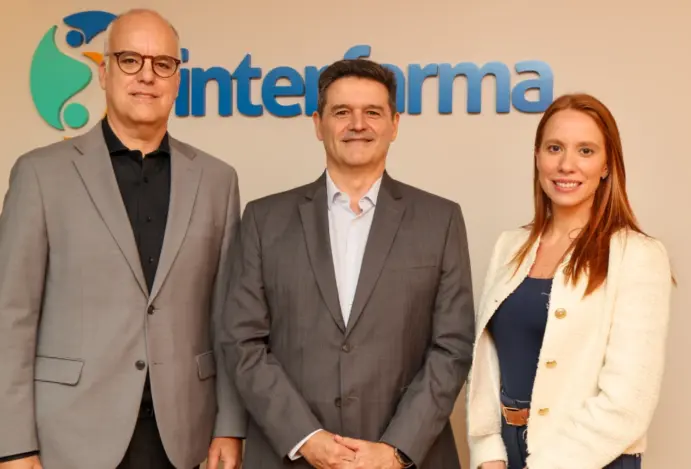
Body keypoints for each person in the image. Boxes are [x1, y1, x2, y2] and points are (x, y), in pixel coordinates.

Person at [0, 9, 246, 469]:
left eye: (163, 64)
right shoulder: (40, 174)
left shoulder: (218, 180)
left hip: (184, 436)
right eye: (130, 60)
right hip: (70, 436)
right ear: (104, 72)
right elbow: (10, 315)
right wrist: (13, 445)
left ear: (178, 79)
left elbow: (227, 317)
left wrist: (229, 426)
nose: (147, 76)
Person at [220, 58, 475, 469]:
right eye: (342, 112)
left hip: (406, 459)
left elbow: (453, 346)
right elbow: (242, 341)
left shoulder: (440, 220)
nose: (358, 124)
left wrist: (394, 450)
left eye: (372, 112)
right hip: (292, 457)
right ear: (318, 124)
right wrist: (306, 438)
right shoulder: (264, 220)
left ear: (394, 124)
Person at [466, 93, 673, 469]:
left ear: (607, 165)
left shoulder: (638, 255)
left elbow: (628, 402)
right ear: (537, 156)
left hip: (591, 458)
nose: (566, 165)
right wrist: (488, 452)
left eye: (586, 151)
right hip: (506, 453)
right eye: (555, 148)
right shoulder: (509, 245)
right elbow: (486, 361)